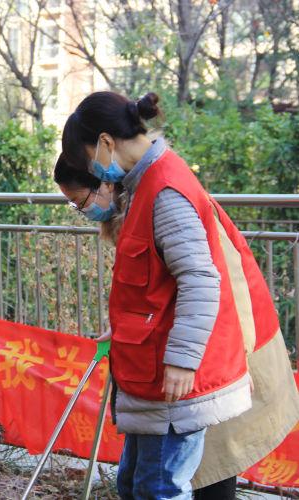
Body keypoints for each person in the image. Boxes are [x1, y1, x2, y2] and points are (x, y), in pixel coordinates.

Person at [60, 91, 299, 499]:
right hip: (156, 368)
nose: (93, 171)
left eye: (87, 160)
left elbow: (201, 280)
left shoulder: (166, 191)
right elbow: (157, 286)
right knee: (139, 483)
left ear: (104, 142)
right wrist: (125, 330)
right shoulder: (142, 185)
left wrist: (182, 360)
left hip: (175, 376)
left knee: (161, 487)